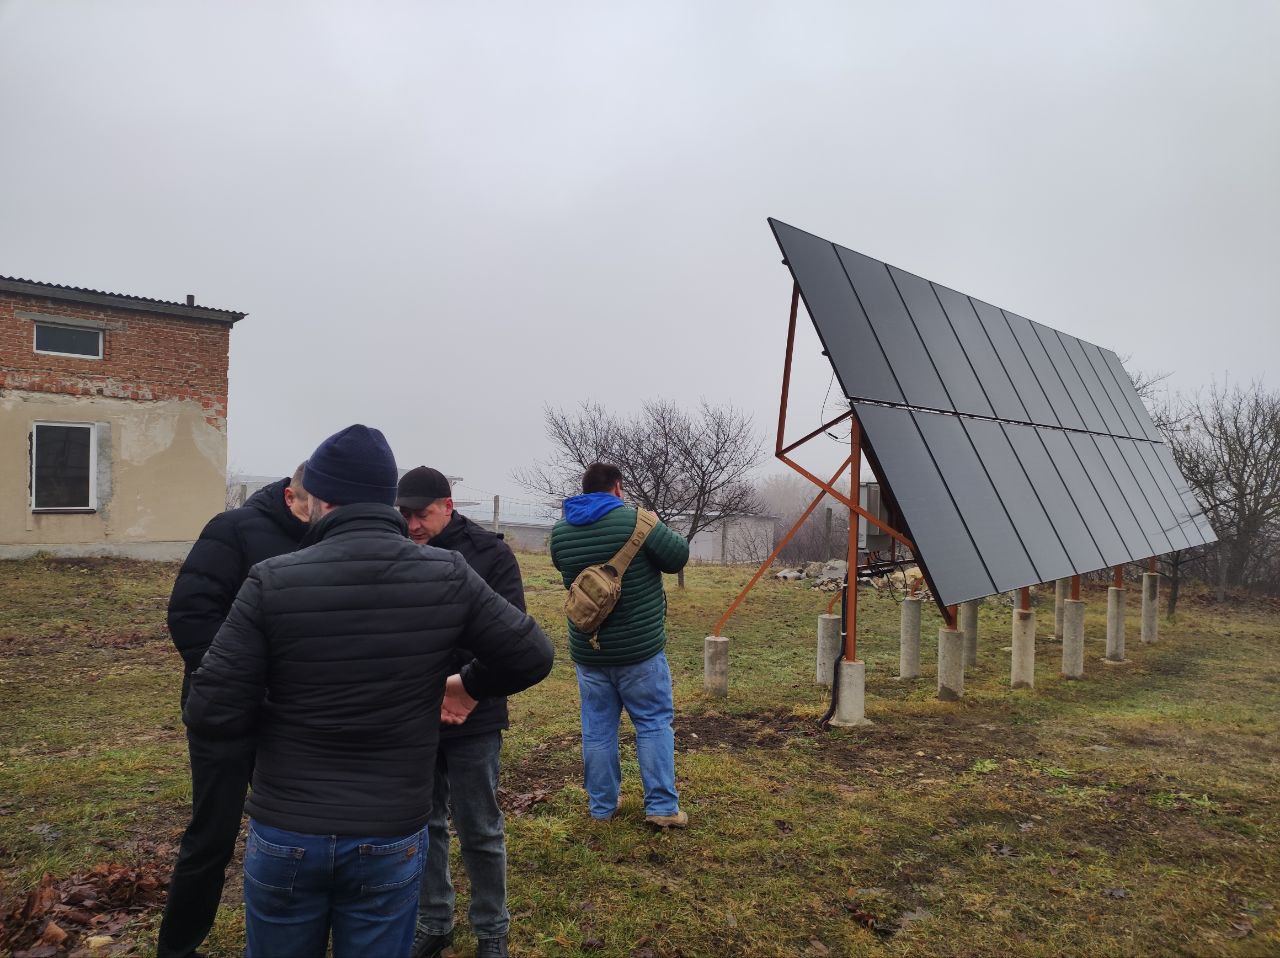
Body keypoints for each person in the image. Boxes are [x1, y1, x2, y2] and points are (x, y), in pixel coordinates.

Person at [183, 425, 554, 958]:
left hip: (288, 828)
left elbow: (211, 706)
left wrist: (280, 714)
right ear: (387, 499)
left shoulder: (271, 580)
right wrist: (465, 685)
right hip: (389, 833)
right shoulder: (446, 573)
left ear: (323, 500)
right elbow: (533, 653)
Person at [157, 464, 311, 958]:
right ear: (291, 496)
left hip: (289, 717)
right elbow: (191, 615)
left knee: (295, 833)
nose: (323, 514)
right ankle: (178, 947)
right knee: (212, 837)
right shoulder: (232, 530)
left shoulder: (322, 538)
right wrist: (235, 686)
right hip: (224, 714)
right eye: (315, 503)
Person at [396, 467, 524, 958]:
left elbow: (512, 638)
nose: (412, 525)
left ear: (448, 506)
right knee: (422, 824)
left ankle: (492, 932)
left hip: (475, 713)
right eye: (404, 514)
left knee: (481, 829)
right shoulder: (398, 548)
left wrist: (465, 687)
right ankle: (435, 921)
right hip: (415, 712)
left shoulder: (491, 554)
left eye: (421, 514)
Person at [549, 462, 690, 828]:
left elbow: (567, 573)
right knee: (653, 722)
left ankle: (601, 810)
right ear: (617, 488)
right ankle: (661, 808)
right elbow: (678, 558)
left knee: (597, 730)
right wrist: (656, 523)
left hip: (589, 651)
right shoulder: (638, 522)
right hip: (640, 651)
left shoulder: (561, 532)